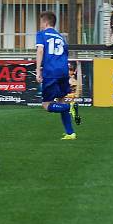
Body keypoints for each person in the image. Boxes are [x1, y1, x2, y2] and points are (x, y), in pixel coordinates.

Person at [35, 11, 82, 140]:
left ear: (45, 22)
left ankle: (70, 106)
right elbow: (65, 54)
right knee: (61, 100)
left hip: (51, 72)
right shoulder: (61, 37)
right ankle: (70, 133)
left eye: (41, 22)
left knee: (46, 104)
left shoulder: (42, 34)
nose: (40, 25)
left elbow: (40, 50)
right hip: (63, 71)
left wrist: (38, 70)